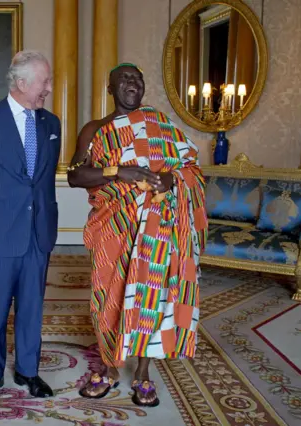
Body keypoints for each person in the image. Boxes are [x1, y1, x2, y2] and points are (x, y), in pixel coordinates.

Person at [67, 63, 208, 407]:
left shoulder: (162, 126)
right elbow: (75, 175)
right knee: (106, 296)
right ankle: (110, 367)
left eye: (137, 79)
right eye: (123, 79)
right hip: (114, 227)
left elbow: (190, 168)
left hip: (158, 228)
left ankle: (143, 372)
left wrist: (172, 180)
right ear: (110, 89)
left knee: (152, 296)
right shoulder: (95, 129)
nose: (131, 83)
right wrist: (120, 172)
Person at [0, 50, 61, 403]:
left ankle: (28, 371)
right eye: (44, 81)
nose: (48, 88)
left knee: (32, 307)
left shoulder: (52, 124)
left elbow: (44, 178)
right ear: (22, 83)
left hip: (39, 231)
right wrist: (3, 209)